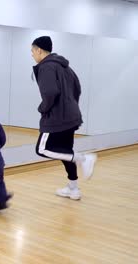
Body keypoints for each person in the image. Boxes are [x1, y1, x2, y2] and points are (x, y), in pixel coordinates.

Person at [31, 36, 97, 200]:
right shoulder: (65, 67)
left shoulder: (46, 67)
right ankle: (73, 189)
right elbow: (78, 88)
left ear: (39, 50)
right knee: (65, 152)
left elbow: (50, 93)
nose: (32, 55)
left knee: (42, 149)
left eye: (32, 51)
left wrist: (43, 108)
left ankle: (83, 158)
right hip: (71, 116)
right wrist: (70, 107)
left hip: (57, 118)